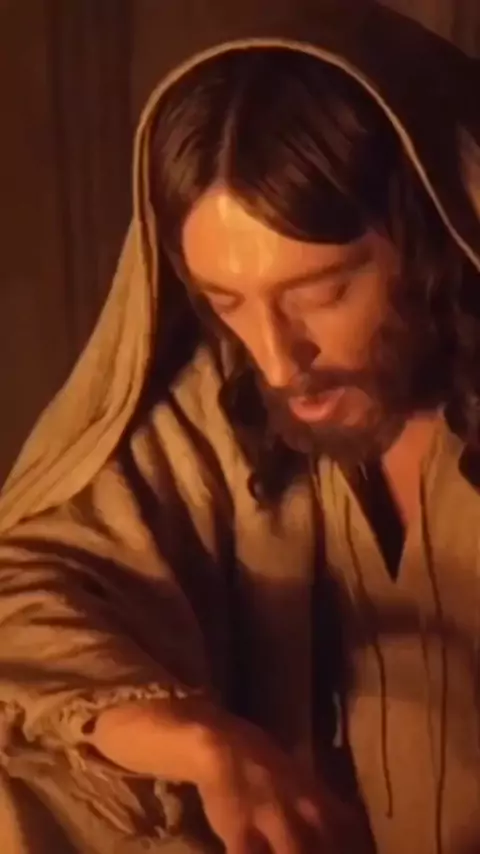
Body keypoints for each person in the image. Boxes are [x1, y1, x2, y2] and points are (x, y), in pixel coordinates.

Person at [0, 1, 479, 852]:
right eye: (227, 302)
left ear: (433, 234)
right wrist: (195, 741)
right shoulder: (229, 402)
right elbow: (31, 580)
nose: (279, 360)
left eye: (323, 292)